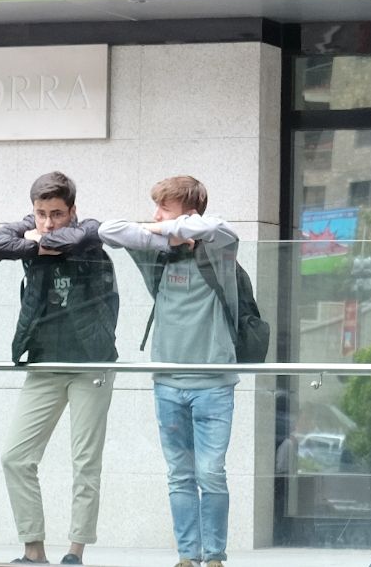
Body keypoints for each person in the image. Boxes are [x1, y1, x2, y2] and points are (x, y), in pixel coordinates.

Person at [100, 176, 240, 567]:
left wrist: (178, 230)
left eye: (165, 208)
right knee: (180, 475)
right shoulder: (157, 253)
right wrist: (164, 236)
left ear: (189, 212)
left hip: (213, 383)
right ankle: (187, 557)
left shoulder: (217, 251)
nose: (156, 216)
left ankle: (214, 556)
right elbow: (108, 230)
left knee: (211, 473)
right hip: (167, 383)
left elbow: (220, 227)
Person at [0, 171, 120, 566]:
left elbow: (76, 238)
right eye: (40, 214)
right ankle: (34, 551)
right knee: (15, 456)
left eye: (57, 214)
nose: (48, 223)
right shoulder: (33, 231)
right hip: (44, 361)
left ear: (72, 210)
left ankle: (75, 551)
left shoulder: (88, 235)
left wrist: (34, 241)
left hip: (91, 362)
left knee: (85, 460)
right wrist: (33, 241)